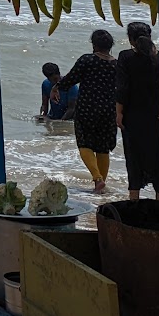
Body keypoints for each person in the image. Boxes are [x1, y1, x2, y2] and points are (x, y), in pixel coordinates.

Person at [53, 28, 119, 194]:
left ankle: (97, 178)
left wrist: (57, 87)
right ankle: (100, 186)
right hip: (109, 110)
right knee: (103, 148)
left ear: (94, 45)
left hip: (87, 108)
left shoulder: (87, 60)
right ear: (110, 46)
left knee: (84, 143)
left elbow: (71, 78)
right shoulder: (116, 64)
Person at [115, 22, 159, 201]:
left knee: (134, 160)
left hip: (133, 117)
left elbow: (122, 88)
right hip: (158, 118)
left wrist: (119, 113)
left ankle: (134, 203)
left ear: (130, 39)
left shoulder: (125, 57)